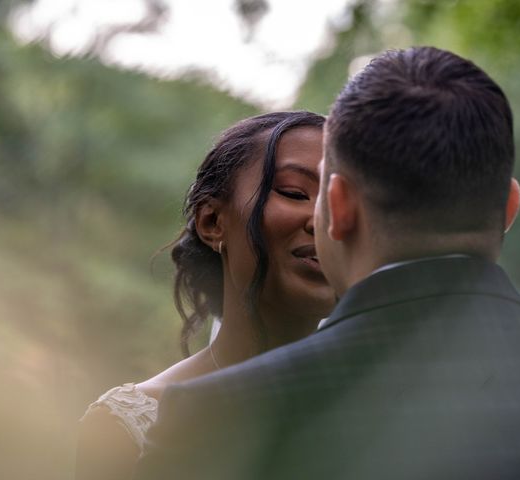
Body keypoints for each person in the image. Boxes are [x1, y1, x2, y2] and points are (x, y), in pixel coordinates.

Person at [134, 47, 520, 480]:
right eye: (292, 192)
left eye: (314, 196)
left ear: (336, 206)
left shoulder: (217, 419)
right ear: (509, 208)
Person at [74, 111, 336, 480]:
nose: (323, 220)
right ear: (212, 222)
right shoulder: (128, 427)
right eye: (295, 192)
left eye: (338, 200)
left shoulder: (390, 407)